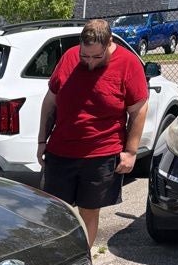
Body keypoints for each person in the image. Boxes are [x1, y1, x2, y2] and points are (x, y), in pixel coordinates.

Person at [37, 18, 149, 247]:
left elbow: (138, 109)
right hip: (61, 151)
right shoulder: (69, 57)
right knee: (56, 210)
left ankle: (83, 258)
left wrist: (131, 151)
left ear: (109, 43)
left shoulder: (128, 63)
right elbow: (50, 102)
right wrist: (41, 141)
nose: (89, 63)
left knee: (88, 211)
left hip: (101, 154)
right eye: (84, 56)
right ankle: (59, 256)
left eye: (96, 57)